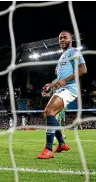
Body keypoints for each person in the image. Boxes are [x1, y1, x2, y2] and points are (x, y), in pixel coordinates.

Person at [38, 31, 87, 159]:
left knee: (49, 110)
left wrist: (65, 80)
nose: (62, 40)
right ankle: (61, 144)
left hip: (70, 88)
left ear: (71, 39)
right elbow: (60, 79)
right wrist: (50, 86)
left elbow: (83, 69)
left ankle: (48, 149)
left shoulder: (73, 52)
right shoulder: (62, 57)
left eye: (65, 37)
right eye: (60, 38)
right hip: (63, 88)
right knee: (49, 113)